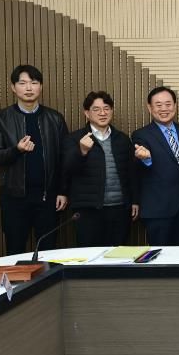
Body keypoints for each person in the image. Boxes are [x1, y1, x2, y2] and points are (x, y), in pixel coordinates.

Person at [0, 64, 69, 255]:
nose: (29, 88)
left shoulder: (55, 118)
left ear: (41, 86)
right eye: (22, 83)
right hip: (14, 198)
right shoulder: (0, 118)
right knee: (15, 251)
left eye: (34, 82)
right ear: (13, 87)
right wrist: (17, 150)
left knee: (48, 253)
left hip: (48, 198)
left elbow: (64, 159)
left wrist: (63, 191)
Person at [63, 91, 139, 247]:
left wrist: (134, 201)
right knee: (90, 254)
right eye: (96, 109)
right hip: (88, 209)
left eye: (106, 108)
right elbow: (67, 170)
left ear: (112, 110)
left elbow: (131, 173)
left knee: (118, 254)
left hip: (120, 209)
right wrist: (82, 151)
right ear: (87, 113)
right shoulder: (75, 138)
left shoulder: (122, 139)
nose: (102, 113)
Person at [132, 86, 179, 246]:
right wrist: (146, 159)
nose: (164, 109)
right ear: (150, 107)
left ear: (175, 106)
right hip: (158, 209)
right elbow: (137, 167)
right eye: (158, 105)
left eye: (168, 104)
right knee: (160, 256)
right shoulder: (141, 134)